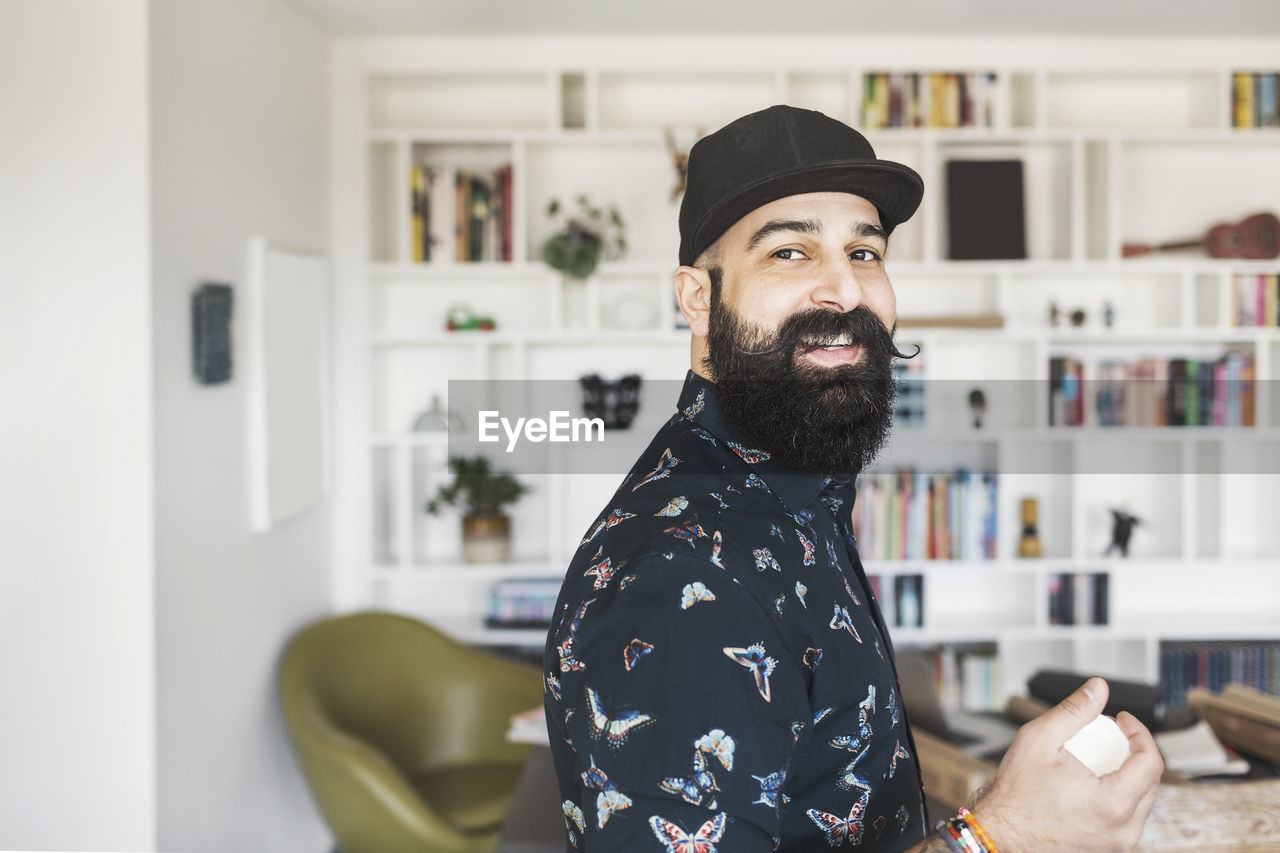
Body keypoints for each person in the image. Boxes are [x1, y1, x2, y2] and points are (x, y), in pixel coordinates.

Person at [542, 105, 1163, 853]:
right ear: (698, 297)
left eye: (864, 254)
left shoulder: (796, 497)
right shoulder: (681, 575)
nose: (845, 290)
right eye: (790, 253)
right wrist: (1000, 835)